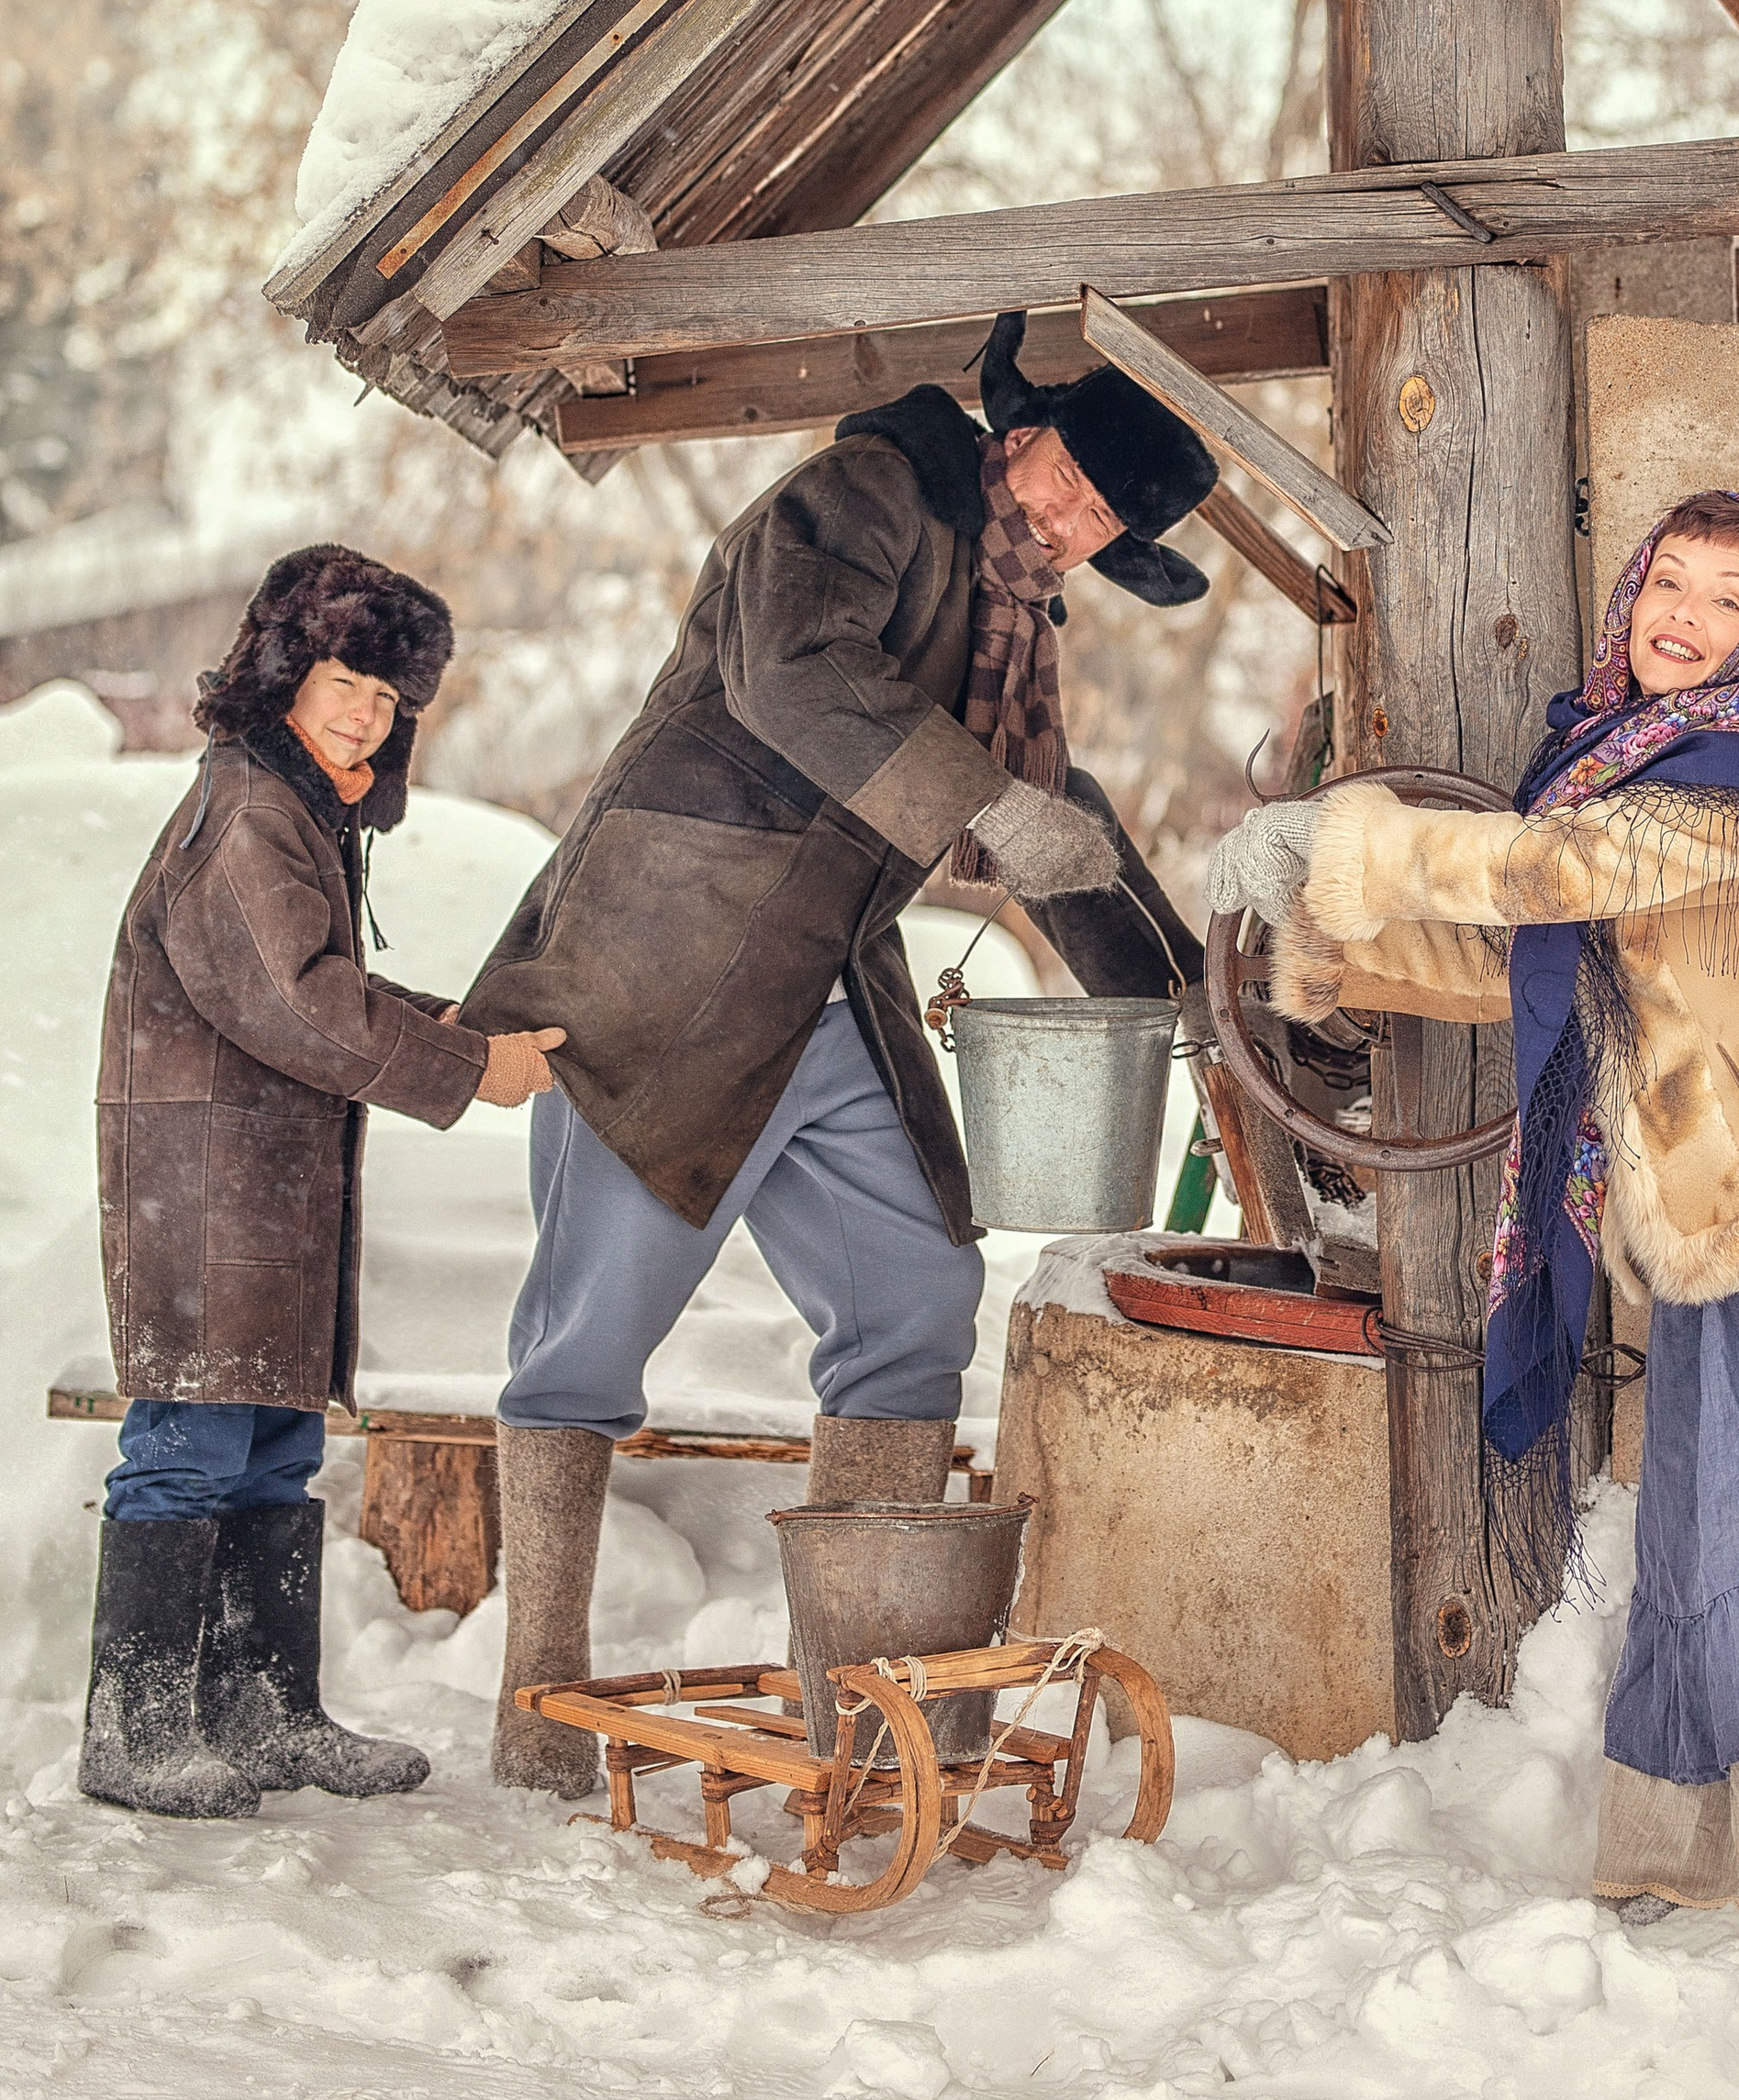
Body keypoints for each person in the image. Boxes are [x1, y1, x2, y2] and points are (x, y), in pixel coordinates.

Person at [1206, 489, 1739, 1924]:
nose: (1686, 613)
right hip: (1731, 1215)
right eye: (1669, 581)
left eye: (1727, 598)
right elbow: (1545, 959)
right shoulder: (1622, 764)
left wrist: (1336, 837)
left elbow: (1561, 871)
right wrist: (1323, 935)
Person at [462, 310, 1216, 1793]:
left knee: (917, 1300)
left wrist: (1197, 996)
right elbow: (794, 668)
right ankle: (536, 1695)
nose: (1068, 527)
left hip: (829, 988)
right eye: (1067, 486)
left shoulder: (1011, 623)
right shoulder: (869, 487)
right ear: (1021, 434)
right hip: (663, 974)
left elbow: (1052, 825)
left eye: (1100, 523)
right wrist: (988, 807)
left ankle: (856, 1694)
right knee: (587, 1346)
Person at [84, 546, 563, 1819]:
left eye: (390, 695)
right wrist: (469, 1066)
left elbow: (323, 989)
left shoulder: (300, 810)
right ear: (287, 668)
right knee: (184, 1453)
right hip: (202, 1191)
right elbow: (301, 1007)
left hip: (265, 1193)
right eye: (347, 677)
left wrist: (450, 1020)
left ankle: (262, 1712)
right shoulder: (247, 810)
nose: (365, 711)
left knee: (274, 1456)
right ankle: (133, 1731)